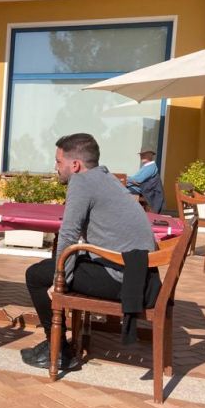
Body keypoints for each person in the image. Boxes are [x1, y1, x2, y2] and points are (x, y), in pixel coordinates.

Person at [21, 133, 156, 370]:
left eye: (58, 161)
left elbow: (68, 235)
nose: (55, 167)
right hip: (138, 274)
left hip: (121, 278)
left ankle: (58, 349)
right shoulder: (105, 178)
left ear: (75, 165)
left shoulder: (82, 182)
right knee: (54, 267)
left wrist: (59, 279)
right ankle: (58, 344)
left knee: (36, 275)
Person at [126, 147, 165, 213]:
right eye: (141, 155)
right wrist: (129, 180)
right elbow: (134, 179)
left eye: (144, 154)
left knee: (122, 192)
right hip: (140, 190)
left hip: (145, 193)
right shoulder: (146, 166)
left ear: (150, 155)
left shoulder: (151, 167)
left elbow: (138, 180)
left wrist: (126, 178)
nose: (142, 156)